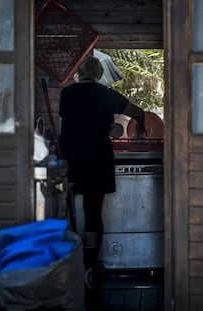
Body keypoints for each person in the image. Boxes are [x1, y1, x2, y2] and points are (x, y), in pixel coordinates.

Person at [58, 56, 146, 291]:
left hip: (71, 156)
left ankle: (68, 263)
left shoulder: (67, 94)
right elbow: (138, 113)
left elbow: (69, 119)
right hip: (97, 155)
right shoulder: (107, 94)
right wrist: (140, 127)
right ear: (98, 75)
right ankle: (90, 265)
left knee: (65, 207)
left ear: (79, 74)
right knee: (93, 209)